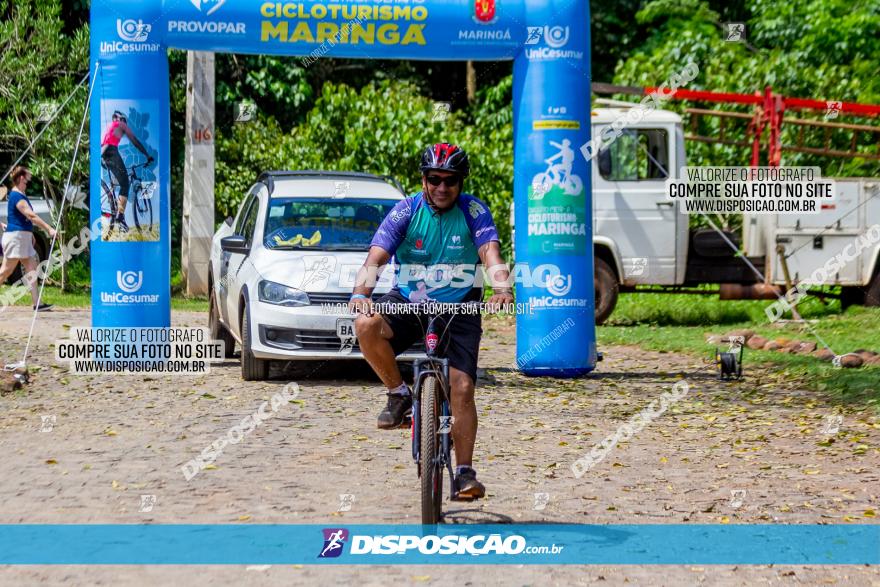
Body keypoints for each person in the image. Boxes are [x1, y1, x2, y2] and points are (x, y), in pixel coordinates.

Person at [349, 143, 514, 500]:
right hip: (409, 302)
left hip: (459, 308)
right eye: (434, 179)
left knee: (463, 388)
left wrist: (502, 288)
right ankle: (398, 394)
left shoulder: (473, 211)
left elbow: (490, 253)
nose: (442, 187)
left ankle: (465, 473)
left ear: (460, 182)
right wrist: (361, 294)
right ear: (423, 180)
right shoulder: (406, 211)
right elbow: (376, 256)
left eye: (450, 180)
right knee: (366, 325)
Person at [0, 166, 56, 311]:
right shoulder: (17, 196)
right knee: (6, 270)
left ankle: (37, 303)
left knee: (32, 269)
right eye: (27, 181)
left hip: (22, 237)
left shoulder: (21, 195)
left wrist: (30, 234)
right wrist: (48, 228)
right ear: (21, 179)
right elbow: (30, 215)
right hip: (16, 238)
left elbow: (26, 220)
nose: (28, 183)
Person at [101, 110, 153, 233]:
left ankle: (115, 211)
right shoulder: (121, 124)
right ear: (122, 120)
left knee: (119, 181)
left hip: (103, 151)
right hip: (111, 151)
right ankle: (120, 217)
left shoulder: (110, 126)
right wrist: (147, 155)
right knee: (125, 183)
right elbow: (135, 141)